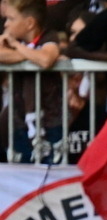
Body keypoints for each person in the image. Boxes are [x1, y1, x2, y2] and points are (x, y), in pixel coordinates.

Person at [0, 0, 62, 163]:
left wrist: (16, 47)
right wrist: (30, 54)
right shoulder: (11, 39)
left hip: (49, 123)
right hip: (19, 123)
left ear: (29, 23)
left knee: (50, 176)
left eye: (11, 19)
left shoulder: (49, 36)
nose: (6, 24)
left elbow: (46, 59)